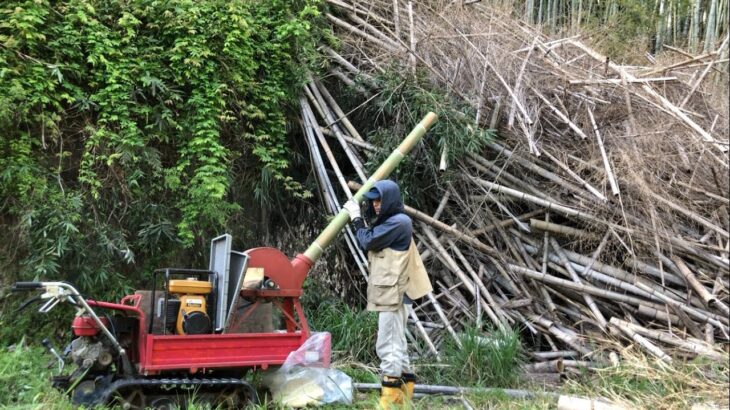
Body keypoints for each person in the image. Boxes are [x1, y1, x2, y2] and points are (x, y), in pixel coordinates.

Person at [343, 180, 432, 409]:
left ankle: (389, 403)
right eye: (373, 200)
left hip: (395, 294)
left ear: (391, 199)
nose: (376, 205)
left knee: (388, 345)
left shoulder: (399, 222)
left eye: (380, 200)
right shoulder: (393, 222)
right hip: (394, 293)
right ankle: (402, 401)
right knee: (398, 346)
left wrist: (355, 217)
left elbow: (366, 240)